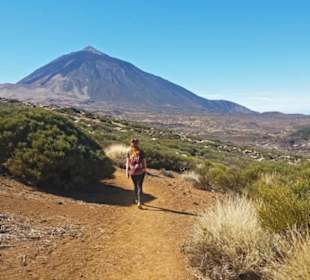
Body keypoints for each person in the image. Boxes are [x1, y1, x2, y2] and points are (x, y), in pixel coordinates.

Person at [126, 138, 147, 209]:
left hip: (132, 171)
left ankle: (136, 199)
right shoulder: (141, 152)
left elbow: (127, 162)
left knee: (135, 186)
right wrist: (145, 169)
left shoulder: (129, 152)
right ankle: (139, 202)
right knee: (140, 186)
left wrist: (127, 172)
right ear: (138, 143)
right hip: (140, 171)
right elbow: (144, 162)